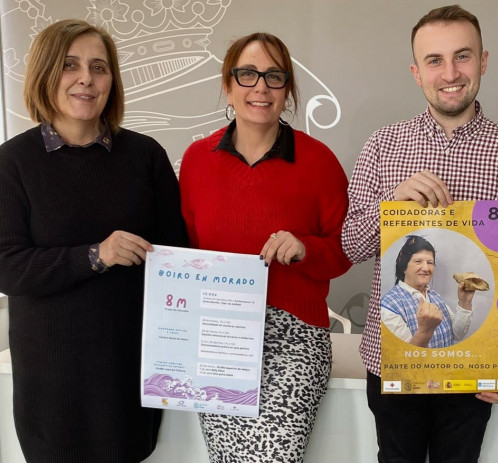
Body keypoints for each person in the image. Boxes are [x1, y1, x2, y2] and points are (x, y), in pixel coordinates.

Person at [342, 5, 498, 462]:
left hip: (475, 363)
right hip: (394, 363)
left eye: (463, 56)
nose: (450, 72)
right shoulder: (382, 146)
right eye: (434, 60)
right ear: (416, 73)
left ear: (484, 61)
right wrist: (391, 207)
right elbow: (351, 245)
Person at [0, 19, 187, 462]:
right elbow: (7, 267)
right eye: (70, 65)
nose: (86, 78)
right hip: (52, 385)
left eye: (99, 67)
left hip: (128, 374)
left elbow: (179, 260)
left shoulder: (146, 156)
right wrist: (95, 256)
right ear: (45, 73)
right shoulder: (12, 162)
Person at [179, 32, 352, 463]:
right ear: (228, 84)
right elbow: (183, 248)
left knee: (275, 456)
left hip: (293, 339)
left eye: (275, 76)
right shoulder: (197, 159)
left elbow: (345, 250)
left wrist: (306, 248)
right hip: (217, 336)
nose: (261, 87)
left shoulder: (320, 162)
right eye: (248, 74)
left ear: (288, 89)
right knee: (226, 457)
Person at [381, 235, 476, 348]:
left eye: (430, 262)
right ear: (403, 267)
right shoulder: (389, 306)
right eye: (418, 261)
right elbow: (404, 358)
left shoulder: (435, 296)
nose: (426, 268)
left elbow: (456, 334)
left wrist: (465, 303)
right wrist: (425, 331)